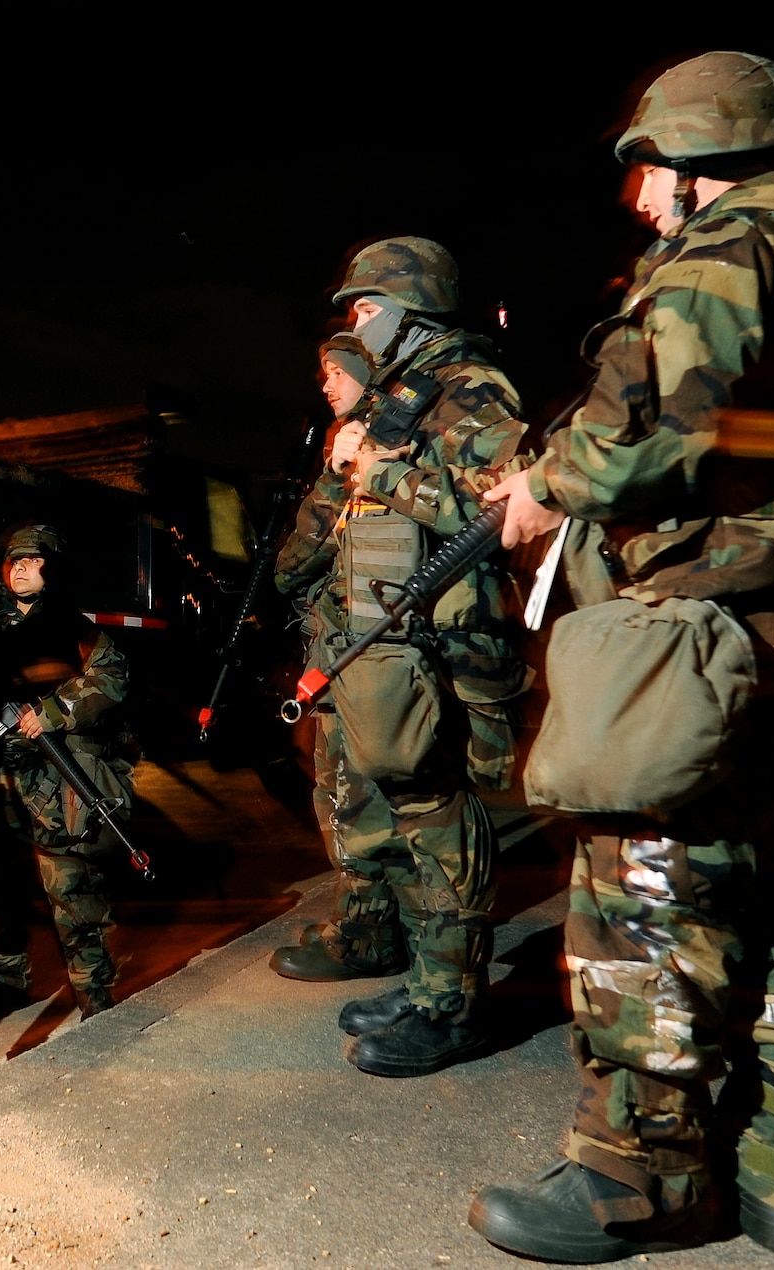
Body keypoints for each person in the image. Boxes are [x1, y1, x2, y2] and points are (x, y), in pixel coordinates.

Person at [468, 52, 774, 1261]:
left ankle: (634, 1175)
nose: (639, 198)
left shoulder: (721, 257)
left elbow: (657, 431)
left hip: (699, 638)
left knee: (644, 899)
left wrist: (541, 488)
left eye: (648, 172)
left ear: (702, 161)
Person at [290, 237, 533, 1077]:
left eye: (365, 307)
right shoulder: (414, 392)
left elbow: (502, 513)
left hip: (454, 643)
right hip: (408, 641)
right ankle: (434, 982)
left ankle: (455, 1006)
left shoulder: (469, 388)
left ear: (408, 306)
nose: (356, 324)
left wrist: (377, 473)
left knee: (440, 813)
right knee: (411, 810)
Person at [0, 524, 135, 1021]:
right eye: (14, 561)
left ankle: (94, 993)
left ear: (55, 568)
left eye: (33, 560)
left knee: (71, 888)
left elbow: (112, 681)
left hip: (54, 778)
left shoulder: (75, 629)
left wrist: (54, 710)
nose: (20, 568)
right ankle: (8, 982)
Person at [267, 335, 411, 984]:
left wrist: (352, 469)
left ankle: (368, 937)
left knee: (359, 804)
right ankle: (367, 922)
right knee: (337, 797)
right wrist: (332, 473)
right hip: (336, 661)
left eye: (335, 373)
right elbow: (293, 568)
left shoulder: (394, 446)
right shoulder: (340, 450)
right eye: (322, 373)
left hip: (371, 662)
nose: (326, 385)